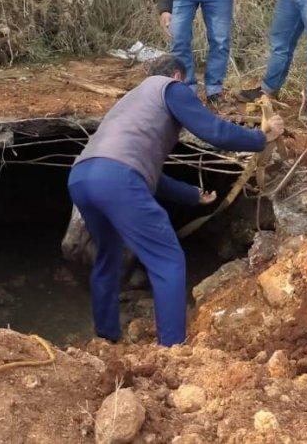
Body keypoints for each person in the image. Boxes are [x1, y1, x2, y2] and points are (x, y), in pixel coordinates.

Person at [68, 54, 284, 346]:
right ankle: (172, 348)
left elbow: (143, 173)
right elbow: (214, 131)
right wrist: (260, 138)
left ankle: (106, 338)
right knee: (167, 260)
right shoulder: (171, 88)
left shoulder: (131, 102)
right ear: (179, 76)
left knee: (109, 256)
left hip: (82, 177)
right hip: (117, 178)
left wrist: (193, 196)